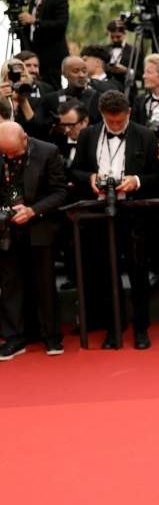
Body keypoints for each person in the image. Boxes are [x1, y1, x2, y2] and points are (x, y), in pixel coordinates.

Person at [70, 90, 159, 349]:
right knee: (105, 274)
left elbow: (157, 177)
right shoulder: (88, 135)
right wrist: (89, 179)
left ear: (129, 113)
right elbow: (75, 169)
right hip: (98, 214)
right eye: (112, 121)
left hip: (133, 214)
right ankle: (114, 327)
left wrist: (136, 181)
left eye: (121, 121)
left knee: (138, 272)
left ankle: (142, 328)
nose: (117, 125)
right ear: (102, 115)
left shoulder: (145, 134)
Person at [0, 121, 67, 359]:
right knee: (10, 285)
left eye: (14, 153)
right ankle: (14, 338)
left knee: (44, 284)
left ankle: (51, 336)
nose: (9, 156)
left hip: (39, 225)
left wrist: (33, 210)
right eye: (4, 153)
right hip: (7, 230)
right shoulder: (4, 152)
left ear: (25, 139)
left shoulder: (48, 151)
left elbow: (60, 192)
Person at [16, 0, 68, 91]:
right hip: (35, 53)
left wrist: (35, 21)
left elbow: (61, 24)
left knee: (52, 88)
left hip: (51, 55)